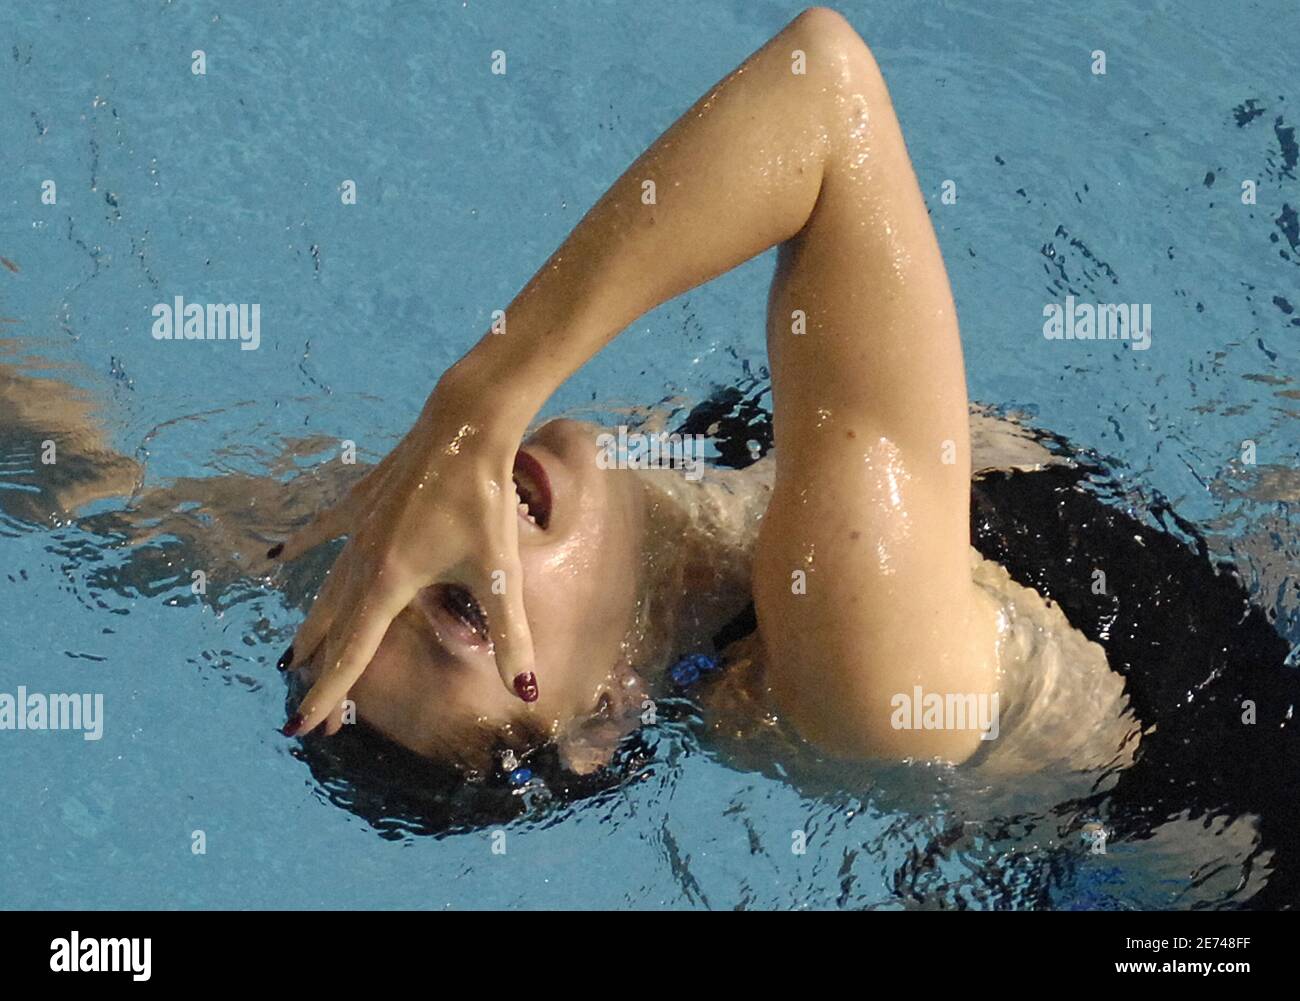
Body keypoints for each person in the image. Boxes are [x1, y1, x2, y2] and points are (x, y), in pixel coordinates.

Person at [263, 8, 1137, 776]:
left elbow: (183, 528)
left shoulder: (644, 530)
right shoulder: (853, 661)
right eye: (462, 608)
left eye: (386, 554)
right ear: (606, 712)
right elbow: (825, 89)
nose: (444, 526)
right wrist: (480, 396)